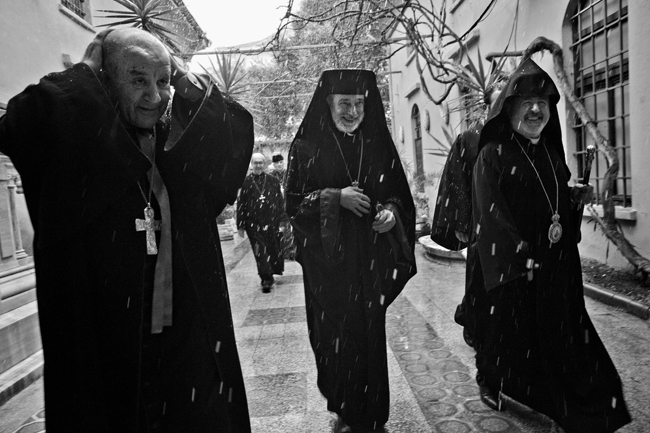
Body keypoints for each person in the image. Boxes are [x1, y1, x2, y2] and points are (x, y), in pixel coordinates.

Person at [0, 28, 254, 432]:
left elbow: (232, 132)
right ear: (106, 79)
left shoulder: (177, 147)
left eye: (163, 81)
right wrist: (84, 72)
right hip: (112, 350)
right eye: (137, 80)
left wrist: (182, 77)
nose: (155, 96)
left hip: (187, 347)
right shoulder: (82, 146)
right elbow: (21, 125)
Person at [469, 58, 631, 432]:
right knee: (510, 338)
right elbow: (490, 214)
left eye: (542, 102)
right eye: (527, 101)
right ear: (509, 107)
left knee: (566, 338)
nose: (536, 110)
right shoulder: (492, 154)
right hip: (515, 271)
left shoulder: (551, 153)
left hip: (555, 269)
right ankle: (492, 380)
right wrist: (519, 257)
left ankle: (581, 403)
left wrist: (572, 200)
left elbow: (552, 207)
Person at [285, 69, 417, 432]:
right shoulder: (306, 147)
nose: (353, 111)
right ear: (328, 104)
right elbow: (293, 205)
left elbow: (398, 196)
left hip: (370, 263)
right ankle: (344, 408)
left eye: (359, 103)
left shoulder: (377, 144)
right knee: (334, 339)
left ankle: (372, 412)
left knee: (369, 336)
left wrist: (391, 214)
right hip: (328, 267)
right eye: (345, 103)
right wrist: (335, 198)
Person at [431, 83, 503, 349]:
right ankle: (471, 323)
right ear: (487, 106)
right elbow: (457, 180)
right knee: (478, 275)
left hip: (506, 222)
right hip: (478, 220)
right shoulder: (470, 138)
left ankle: (475, 315)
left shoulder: (514, 138)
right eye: (497, 102)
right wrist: (461, 221)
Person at [237, 153, 285, 292]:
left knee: (271, 248)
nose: (258, 165)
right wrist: (240, 225)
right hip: (253, 223)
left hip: (271, 222)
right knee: (260, 251)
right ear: (251, 164)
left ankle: (271, 272)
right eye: (255, 162)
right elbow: (241, 204)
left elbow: (280, 202)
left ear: (264, 164)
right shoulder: (245, 182)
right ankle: (266, 278)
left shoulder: (273, 181)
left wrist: (282, 221)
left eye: (260, 162)